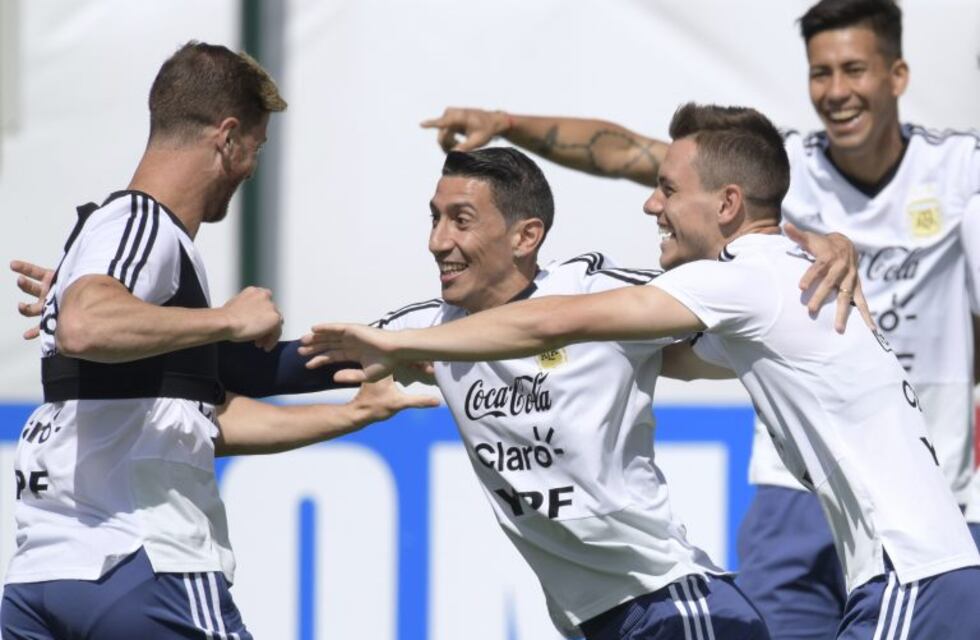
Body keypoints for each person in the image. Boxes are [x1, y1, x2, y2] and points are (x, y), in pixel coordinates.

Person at [307, 104, 980, 640]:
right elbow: (673, 354)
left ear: (727, 204)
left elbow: (553, 322)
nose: (651, 205)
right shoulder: (781, 281)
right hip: (921, 575)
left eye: (667, 189)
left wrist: (396, 344)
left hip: (908, 575)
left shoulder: (743, 282)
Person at [0, 41, 438, 640]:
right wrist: (229, 319)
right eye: (256, 147)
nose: (252, 168)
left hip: (45, 581)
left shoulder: (113, 246)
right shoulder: (142, 224)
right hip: (142, 563)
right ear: (227, 138)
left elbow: (202, 413)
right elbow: (86, 325)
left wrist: (356, 408)